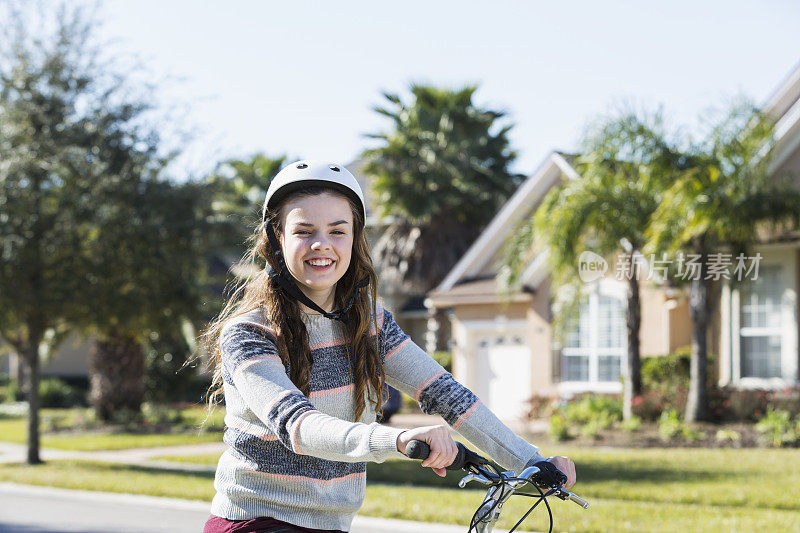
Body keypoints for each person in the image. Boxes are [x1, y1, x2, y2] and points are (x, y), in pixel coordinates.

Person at [201, 160, 576, 533]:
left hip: (331, 524)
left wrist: (532, 460)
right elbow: (298, 426)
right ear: (277, 239)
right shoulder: (249, 333)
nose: (322, 245)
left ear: (355, 238)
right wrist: (397, 440)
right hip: (256, 520)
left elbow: (445, 393)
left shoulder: (369, 321)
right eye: (304, 231)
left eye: (337, 230)